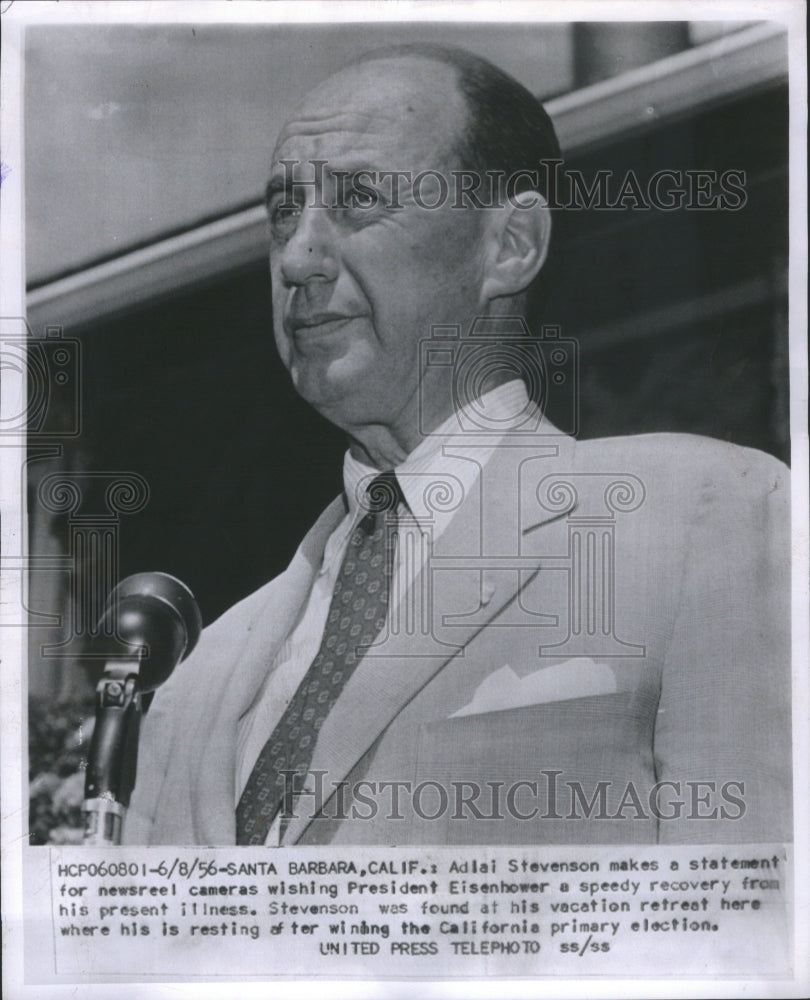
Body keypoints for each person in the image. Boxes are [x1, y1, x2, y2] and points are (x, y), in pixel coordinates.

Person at [123, 43, 791, 847]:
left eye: (360, 198)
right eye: (281, 213)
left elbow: (751, 923)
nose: (297, 257)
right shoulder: (202, 673)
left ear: (509, 245)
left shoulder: (704, 517)